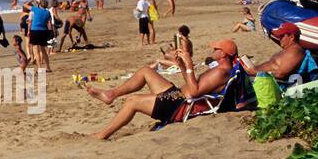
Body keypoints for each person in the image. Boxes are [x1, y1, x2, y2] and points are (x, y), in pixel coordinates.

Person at [86, 40, 237, 140]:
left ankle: (103, 135)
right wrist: (183, 66)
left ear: (223, 54)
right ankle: (111, 94)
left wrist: (190, 65)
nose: (213, 49)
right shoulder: (220, 69)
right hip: (177, 96)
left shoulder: (220, 72)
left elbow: (195, 91)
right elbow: (193, 85)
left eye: (216, 48)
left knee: (132, 101)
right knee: (146, 71)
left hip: (179, 106)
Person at [240, 23, 317, 85]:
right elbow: (273, 67)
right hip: (259, 77)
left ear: (292, 37)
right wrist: (252, 68)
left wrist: (255, 73)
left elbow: (281, 74)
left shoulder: (295, 52)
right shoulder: (288, 50)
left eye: (282, 36)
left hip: (272, 85)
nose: (279, 38)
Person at [28, 0, 54, 72]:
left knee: (36, 50)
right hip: (44, 31)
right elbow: (49, 23)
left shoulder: (35, 9)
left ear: (39, 4)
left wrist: (32, 0)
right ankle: (48, 67)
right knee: (43, 51)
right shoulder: (48, 12)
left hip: (35, 31)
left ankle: (39, 68)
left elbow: (25, 5)